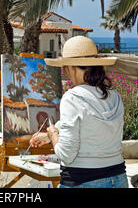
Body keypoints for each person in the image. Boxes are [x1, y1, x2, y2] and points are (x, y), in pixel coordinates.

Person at [29, 35, 129, 188]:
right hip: (118, 178)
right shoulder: (114, 96)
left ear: (71, 67)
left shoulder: (73, 97)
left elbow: (66, 155)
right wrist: (51, 135)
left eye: (65, 67)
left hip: (84, 180)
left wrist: (53, 133)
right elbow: (92, 128)